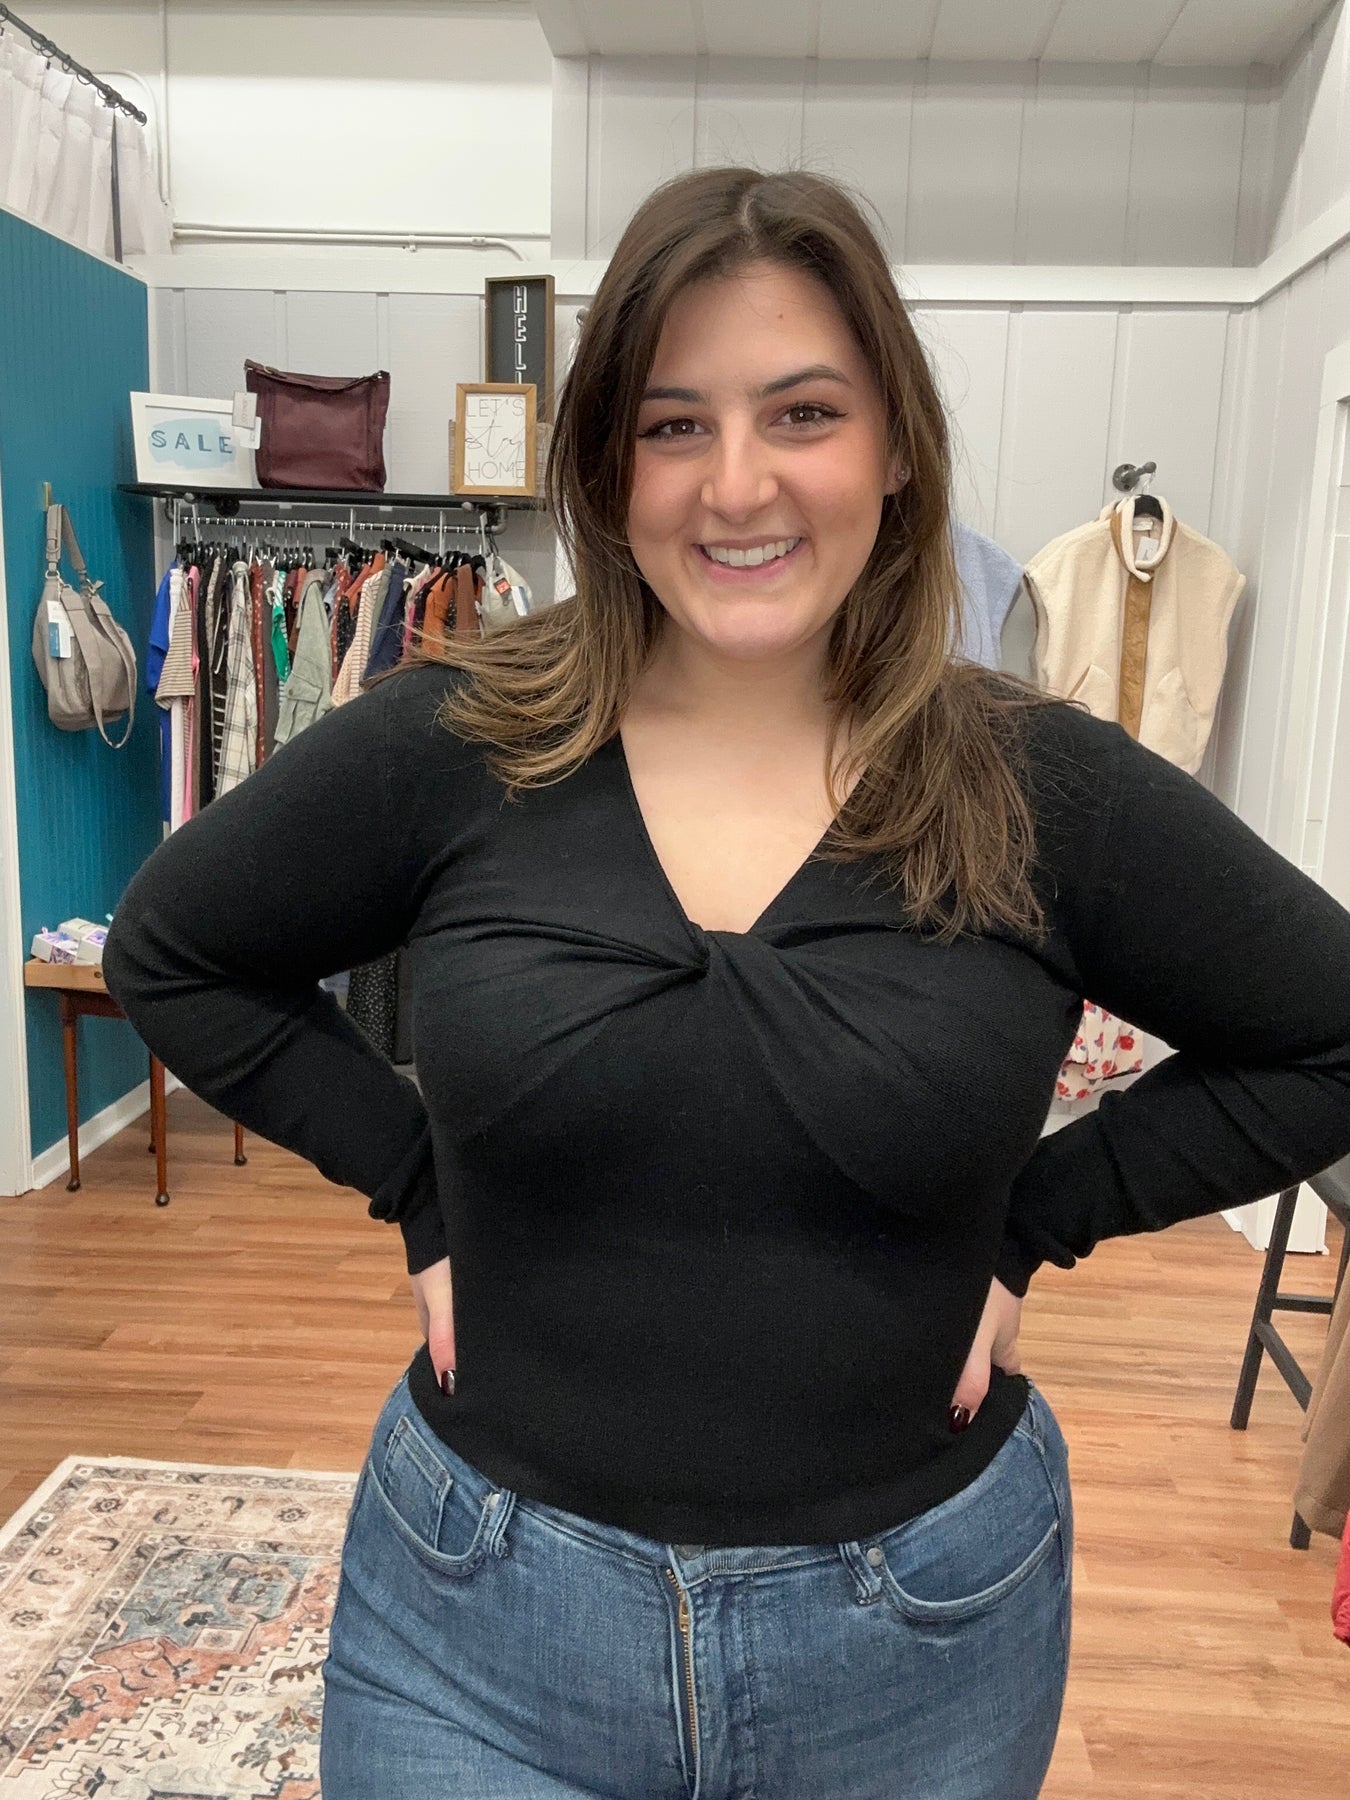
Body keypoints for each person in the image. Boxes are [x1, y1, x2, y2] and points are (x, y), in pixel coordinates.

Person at [102, 167, 1350, 1799]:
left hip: (913, 1646)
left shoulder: (1040, 787)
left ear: (894, 449)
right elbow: (171, 952)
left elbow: (1327, 1034)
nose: (735, 484)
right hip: (479, 1633)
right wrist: (413, 1184)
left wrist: (1037, 1222)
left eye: (802, 413)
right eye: (671, 424)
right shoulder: (458, 736)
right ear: (604, 465)